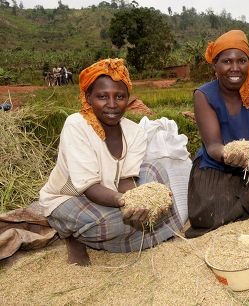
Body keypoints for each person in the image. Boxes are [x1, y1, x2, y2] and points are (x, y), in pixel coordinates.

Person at [38, 58, 184, 266]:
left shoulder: (134, 132)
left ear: (128, 98)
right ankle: (71, 236)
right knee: (111, 224)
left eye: (120, 96)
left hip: (112, 192)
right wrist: (127, 203)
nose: (112, 105)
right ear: (88, 97)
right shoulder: (76, 125)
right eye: (102, 97)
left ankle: (140, 230)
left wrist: (139, 199)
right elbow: (89, 187)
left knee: (156, 170)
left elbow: (126, 180)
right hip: (70, 198)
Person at [185, 30, 249, 238]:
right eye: (226, 61)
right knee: (206, 214)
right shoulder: (203, 95)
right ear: (215, 66)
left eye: (241, 61)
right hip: (217, 166)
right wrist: (230, 155)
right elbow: (213, 146)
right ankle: (246, 213)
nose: (234, 68)